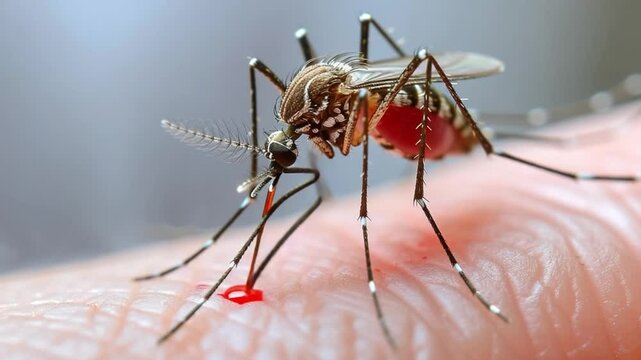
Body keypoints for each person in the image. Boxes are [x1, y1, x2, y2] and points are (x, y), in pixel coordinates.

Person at [1, 104, 640, 359]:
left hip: (417, 114)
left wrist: (358, 222)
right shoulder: (292, 118)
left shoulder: (331, 115)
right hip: (363, 111)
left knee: (381, 122)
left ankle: (566, 164)